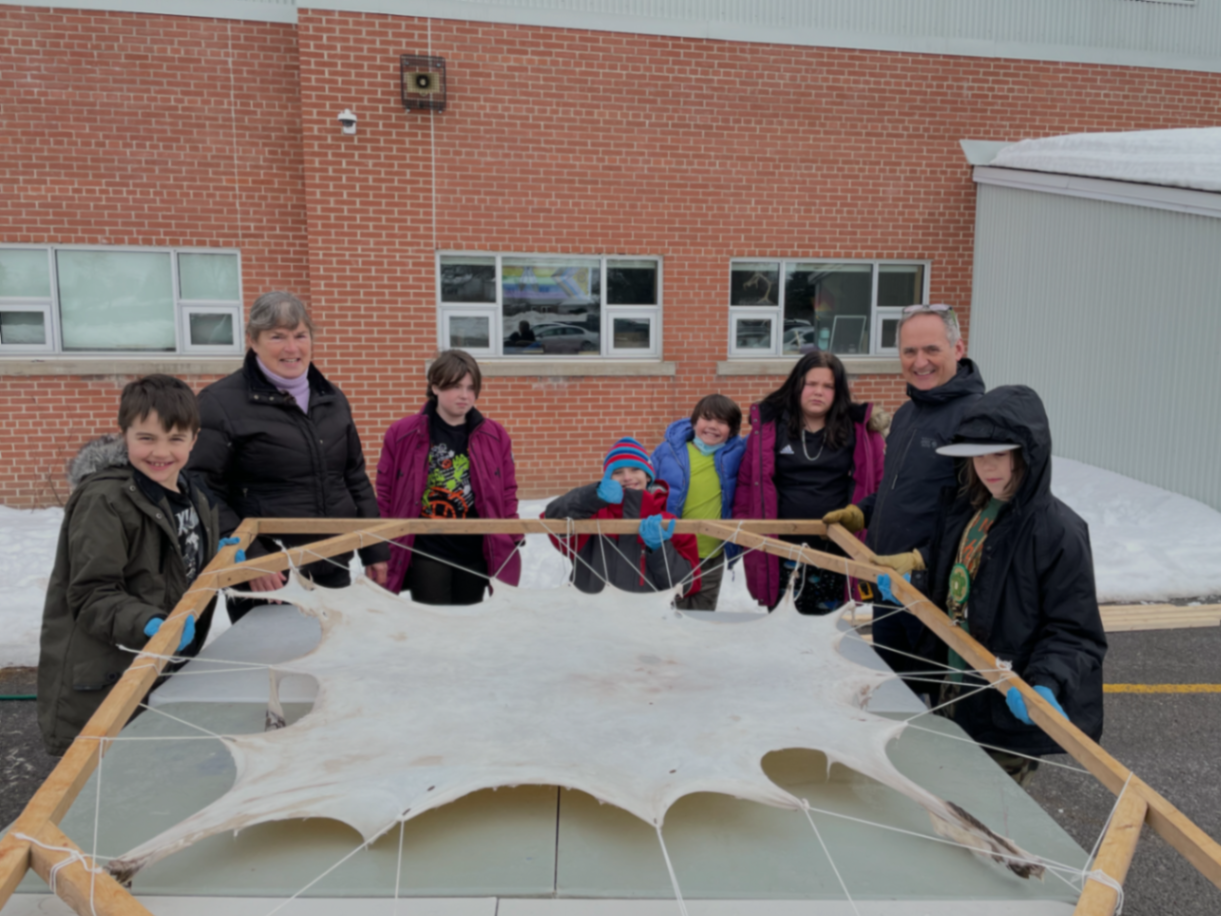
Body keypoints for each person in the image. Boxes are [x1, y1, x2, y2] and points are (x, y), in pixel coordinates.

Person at [885, 385, 1105, 785]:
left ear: (1028, 452)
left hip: (1006, 702)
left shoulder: (1058, 532)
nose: (987, 467)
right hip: (953, 689)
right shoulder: (970, 510)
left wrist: (1045, 682)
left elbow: (1074, 631)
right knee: (948, 798)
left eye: (999, 453)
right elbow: (962, 581)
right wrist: (912, 581)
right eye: (978, 455)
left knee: (996, 820)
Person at [38, 375, 221, 756]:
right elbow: (90, 593)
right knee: (102, 797)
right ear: (125, 435)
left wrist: (222, 557)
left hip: (158, 669)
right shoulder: (105, 501)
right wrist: (148, 623)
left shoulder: (192, 497)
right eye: (147, 438)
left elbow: (179, 568)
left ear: (194, 438)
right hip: (106, 679)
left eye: (176, 438)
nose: (161, 452)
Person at [189, 291, 388, 618]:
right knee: (275, 666)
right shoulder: (220, 403)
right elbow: (201, 488)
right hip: (268, 577)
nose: (292, 348)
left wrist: (374, 547)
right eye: (277, 336)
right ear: (253, 340)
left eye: (300, 335)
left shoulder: (332, 398)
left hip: (332, 565)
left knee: (329, 663)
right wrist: (250, 555)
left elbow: (353, 476)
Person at [823, 305, 984, 671]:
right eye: (909, 351)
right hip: (889, 584)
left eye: (931, 349)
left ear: (958, 350)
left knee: (933, 706)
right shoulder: (908, 413)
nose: (919, 361)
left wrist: (920, 560)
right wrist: (861, 510)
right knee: (895, 693)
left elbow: (976, 515)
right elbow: (898, 489)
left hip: (934, 593)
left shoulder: (975, 418)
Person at [732, 351, 886, 614]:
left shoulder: (859, 431)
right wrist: (747, 534)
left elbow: (878, 485)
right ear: (797, 385)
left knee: (824, 632)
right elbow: (747, 485)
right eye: (811, 384)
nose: (819, 392)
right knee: (782, 628)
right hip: (780, 549)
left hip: (836, 551)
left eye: (828, 386)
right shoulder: (770, 428)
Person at [376, 349, 521, 604]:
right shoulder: (402, 433)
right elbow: (385, 493)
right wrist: (382, 544)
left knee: (467, 625)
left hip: (475, 549)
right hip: (425, 549)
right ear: (435, 386)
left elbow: (507, 490)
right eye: (455, 386)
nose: (465, 395)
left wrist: (512, 534)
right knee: (434, 625)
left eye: (470, 387)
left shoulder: (495, 435)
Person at [544, 437, 700, 596]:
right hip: (590, 615)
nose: (626, 477)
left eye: (635, 470)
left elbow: (688, 586)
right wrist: (592, 496)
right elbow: (551, 517)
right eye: (618, 472)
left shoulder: (669, 523)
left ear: (648, 476)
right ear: (608, 479)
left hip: (649, 619)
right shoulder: (592, 516)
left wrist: (659, 549)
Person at [650, 394, 746, 610]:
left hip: (712, 554)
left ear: (732, 430)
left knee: (704, 614)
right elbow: (646, 486)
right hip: (674, 552)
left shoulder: (738, 454)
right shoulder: (668, 452)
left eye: (722, 422)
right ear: (694, 421)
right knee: (672, 611)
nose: (713, 426)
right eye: (707, 418)